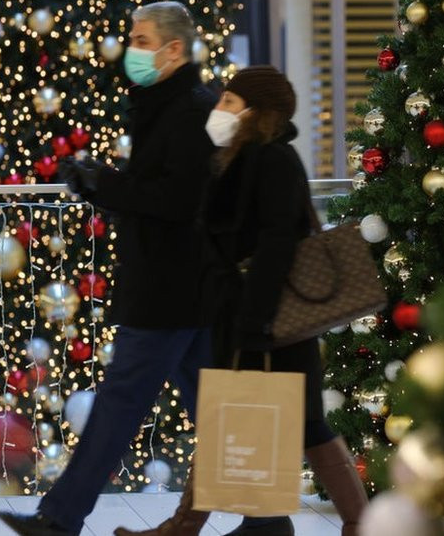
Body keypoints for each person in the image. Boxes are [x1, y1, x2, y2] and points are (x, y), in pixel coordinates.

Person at [117, 66, 370, 536]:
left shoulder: (272, 159)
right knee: (261, 418)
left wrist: (256, 319)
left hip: (268, 317)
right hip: (245, 314)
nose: (219, 108)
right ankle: (222, 525)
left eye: (230, 102)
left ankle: (193, 527)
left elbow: (276, 243)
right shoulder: (238, 157)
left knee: (286, 422)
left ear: (258, 112)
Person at [0, 1, 217, 536]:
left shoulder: (190, 108)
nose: (132, 49)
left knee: (121, 404)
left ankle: (60, 517)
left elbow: (178, 200)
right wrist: (100, 184)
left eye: (142, 39)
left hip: (171, 289)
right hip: (180, 288)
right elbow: (155, 196)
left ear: (172, 49)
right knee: (221, 413)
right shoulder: (166, 103)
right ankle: (267, 517)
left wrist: (107, 184)